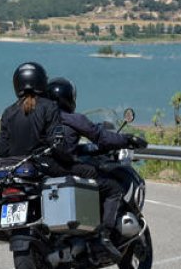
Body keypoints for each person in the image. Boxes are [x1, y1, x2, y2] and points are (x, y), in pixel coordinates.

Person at [45, 76, 148, 259]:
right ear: (69, 98)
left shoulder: (42, 120)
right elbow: (102, 137)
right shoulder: (72, 118)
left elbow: (60, 146)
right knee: (113, 188)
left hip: (45, 168)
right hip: (64, 168)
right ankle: (105, 235)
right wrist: (127, 139)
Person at [0, 62, 66, 174]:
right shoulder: (50, 107)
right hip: (42, 167)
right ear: (41, 81)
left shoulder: (8, 112)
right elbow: (58, 145)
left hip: (14, 168)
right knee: (88, 172)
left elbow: (2, 150)